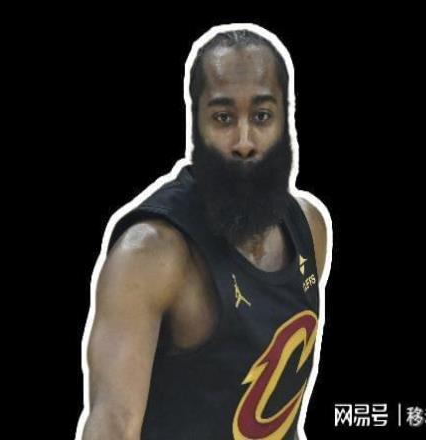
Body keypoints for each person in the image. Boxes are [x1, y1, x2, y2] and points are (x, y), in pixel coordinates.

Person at [78, 24, 332, 440]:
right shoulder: (151, 253)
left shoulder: (310, 227)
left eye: (262, 116)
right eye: (223, 118)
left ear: (286, 120)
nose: (244, 141)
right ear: (195, 123)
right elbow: (112, 425)